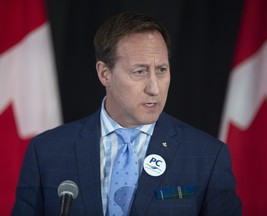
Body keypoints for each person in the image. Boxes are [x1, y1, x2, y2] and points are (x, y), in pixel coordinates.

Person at [12, 11, 242, 216]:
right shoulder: (46, 152)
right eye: (139, 71)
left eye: (161, 70)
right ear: (105, 74)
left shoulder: (208, 156)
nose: (154, 88)